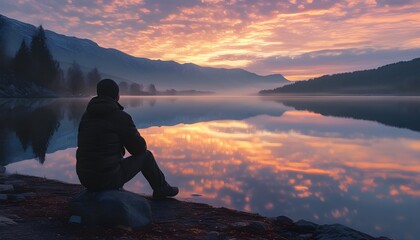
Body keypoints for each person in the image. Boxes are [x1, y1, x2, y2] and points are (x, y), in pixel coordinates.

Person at [76, 79, 178, 198]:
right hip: (106, 179)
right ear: (117, 96)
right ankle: (161, 188)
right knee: (146, 156)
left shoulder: (86, 116)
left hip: (85, 178)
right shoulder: (119, 116)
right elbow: (138, 149)